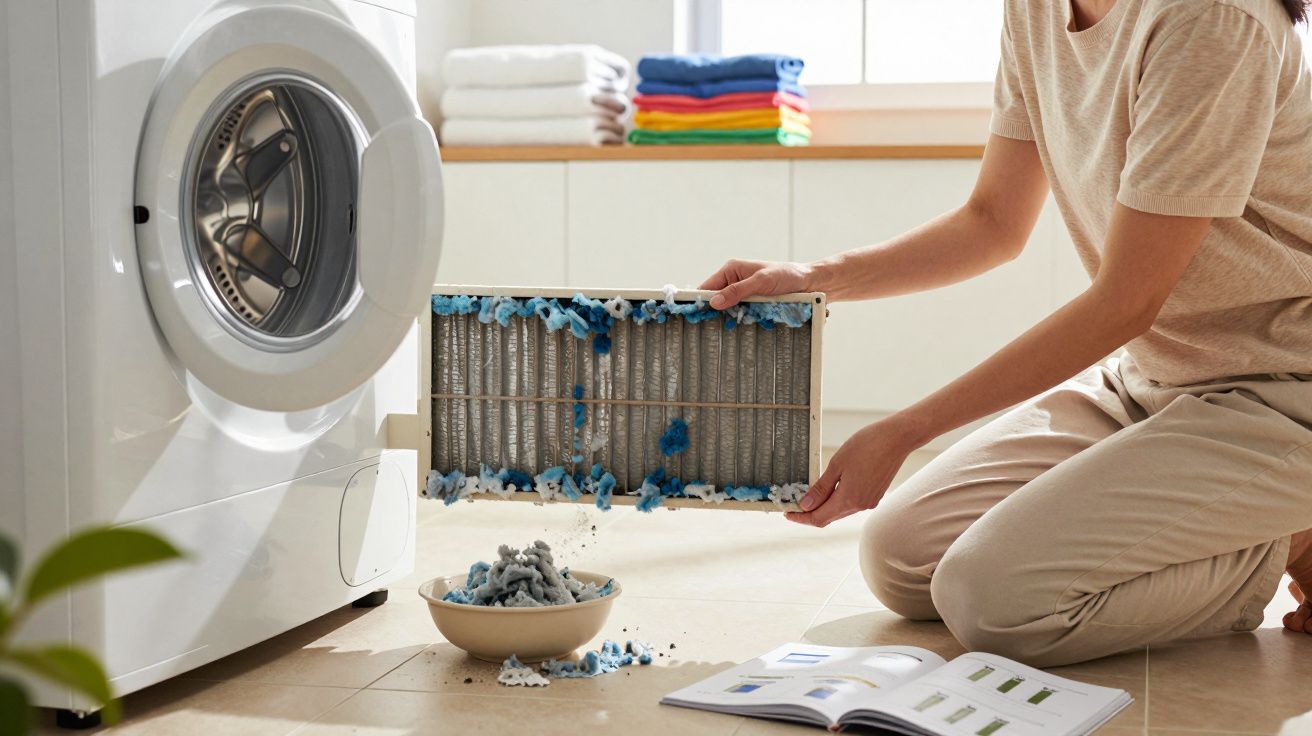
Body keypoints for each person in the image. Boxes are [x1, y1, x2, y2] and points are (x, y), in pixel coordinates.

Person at [701, 0, 1312, 667]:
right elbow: (992, 221)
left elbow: (1124, 304)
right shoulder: (1036, 8)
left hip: (1285, 392)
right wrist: (814, 277)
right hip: (1153, 377)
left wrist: (906, 430)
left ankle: (1289, 537)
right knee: (902, 560)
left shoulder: (1213, 20)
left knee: (992, 603)